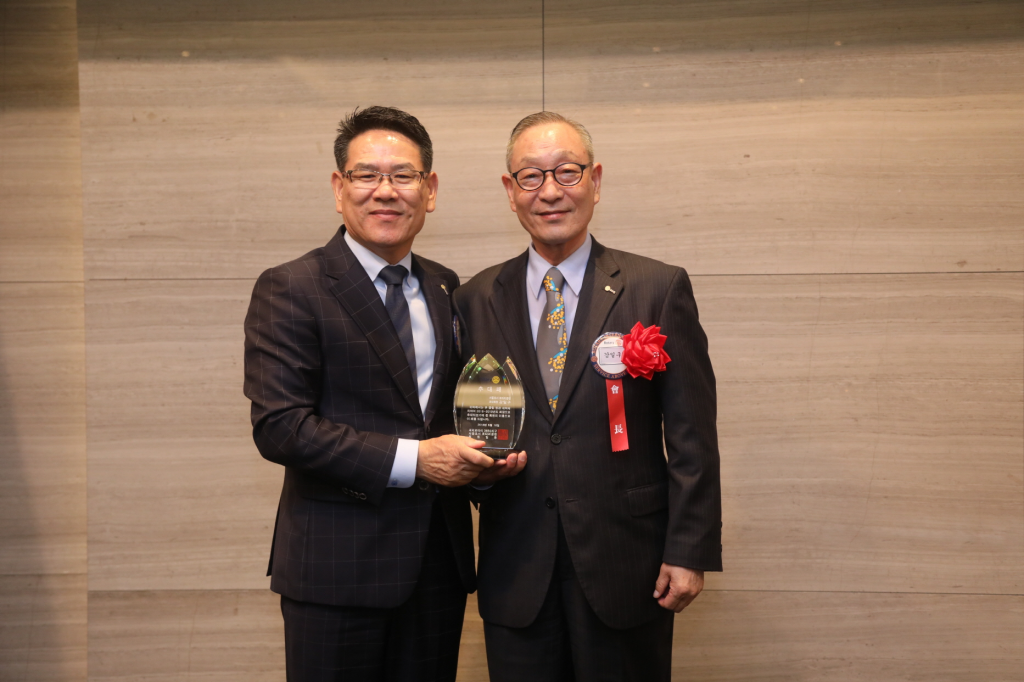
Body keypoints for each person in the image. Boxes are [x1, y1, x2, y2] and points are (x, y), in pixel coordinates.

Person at [243, 106, 525, 682]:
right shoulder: (291, 286)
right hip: (335, 571)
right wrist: (417, 459)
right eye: (366, 175)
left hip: (437, 569)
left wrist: (481, 466)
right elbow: (281, 427)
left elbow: (450, 415)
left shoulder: (447, 288)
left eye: (403, 175)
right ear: (338, 188)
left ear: (430, 190)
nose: (386, 191)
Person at [452, 111, 722, 681]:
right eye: (531, 176)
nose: (550, 191)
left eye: (567, 172)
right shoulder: (474, 298)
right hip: (516, 563)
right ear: (510, 191)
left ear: (595, 181)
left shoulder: (657, 287)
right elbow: (464, 424)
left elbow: (692, 435)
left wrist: (689, 549)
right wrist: (479, 475)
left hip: (627, 562)